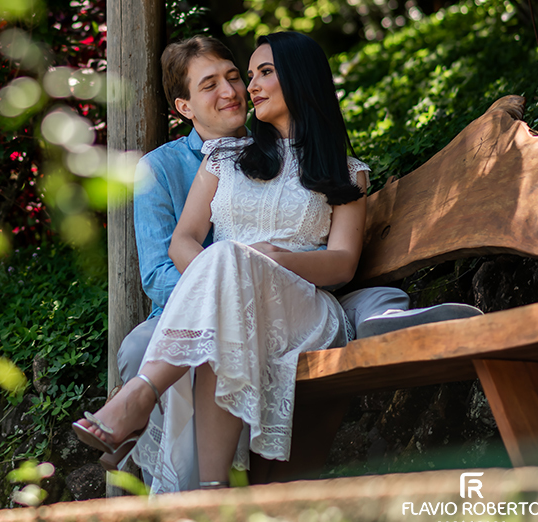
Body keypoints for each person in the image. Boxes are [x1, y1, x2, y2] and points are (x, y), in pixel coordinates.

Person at [76, 32, 474, 493]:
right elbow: (182, 241)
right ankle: (212, 491)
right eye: (249, 75)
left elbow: (343, 264)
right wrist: (230, 277)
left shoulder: (346, 172)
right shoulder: (224, 157)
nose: (247, 88)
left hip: (304, 313)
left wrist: (276, 261)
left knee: (228, 272)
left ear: (299, 79)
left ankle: (139, 398)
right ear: (185, 106)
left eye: (260, 73)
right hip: (236, 306)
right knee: (226, 302)